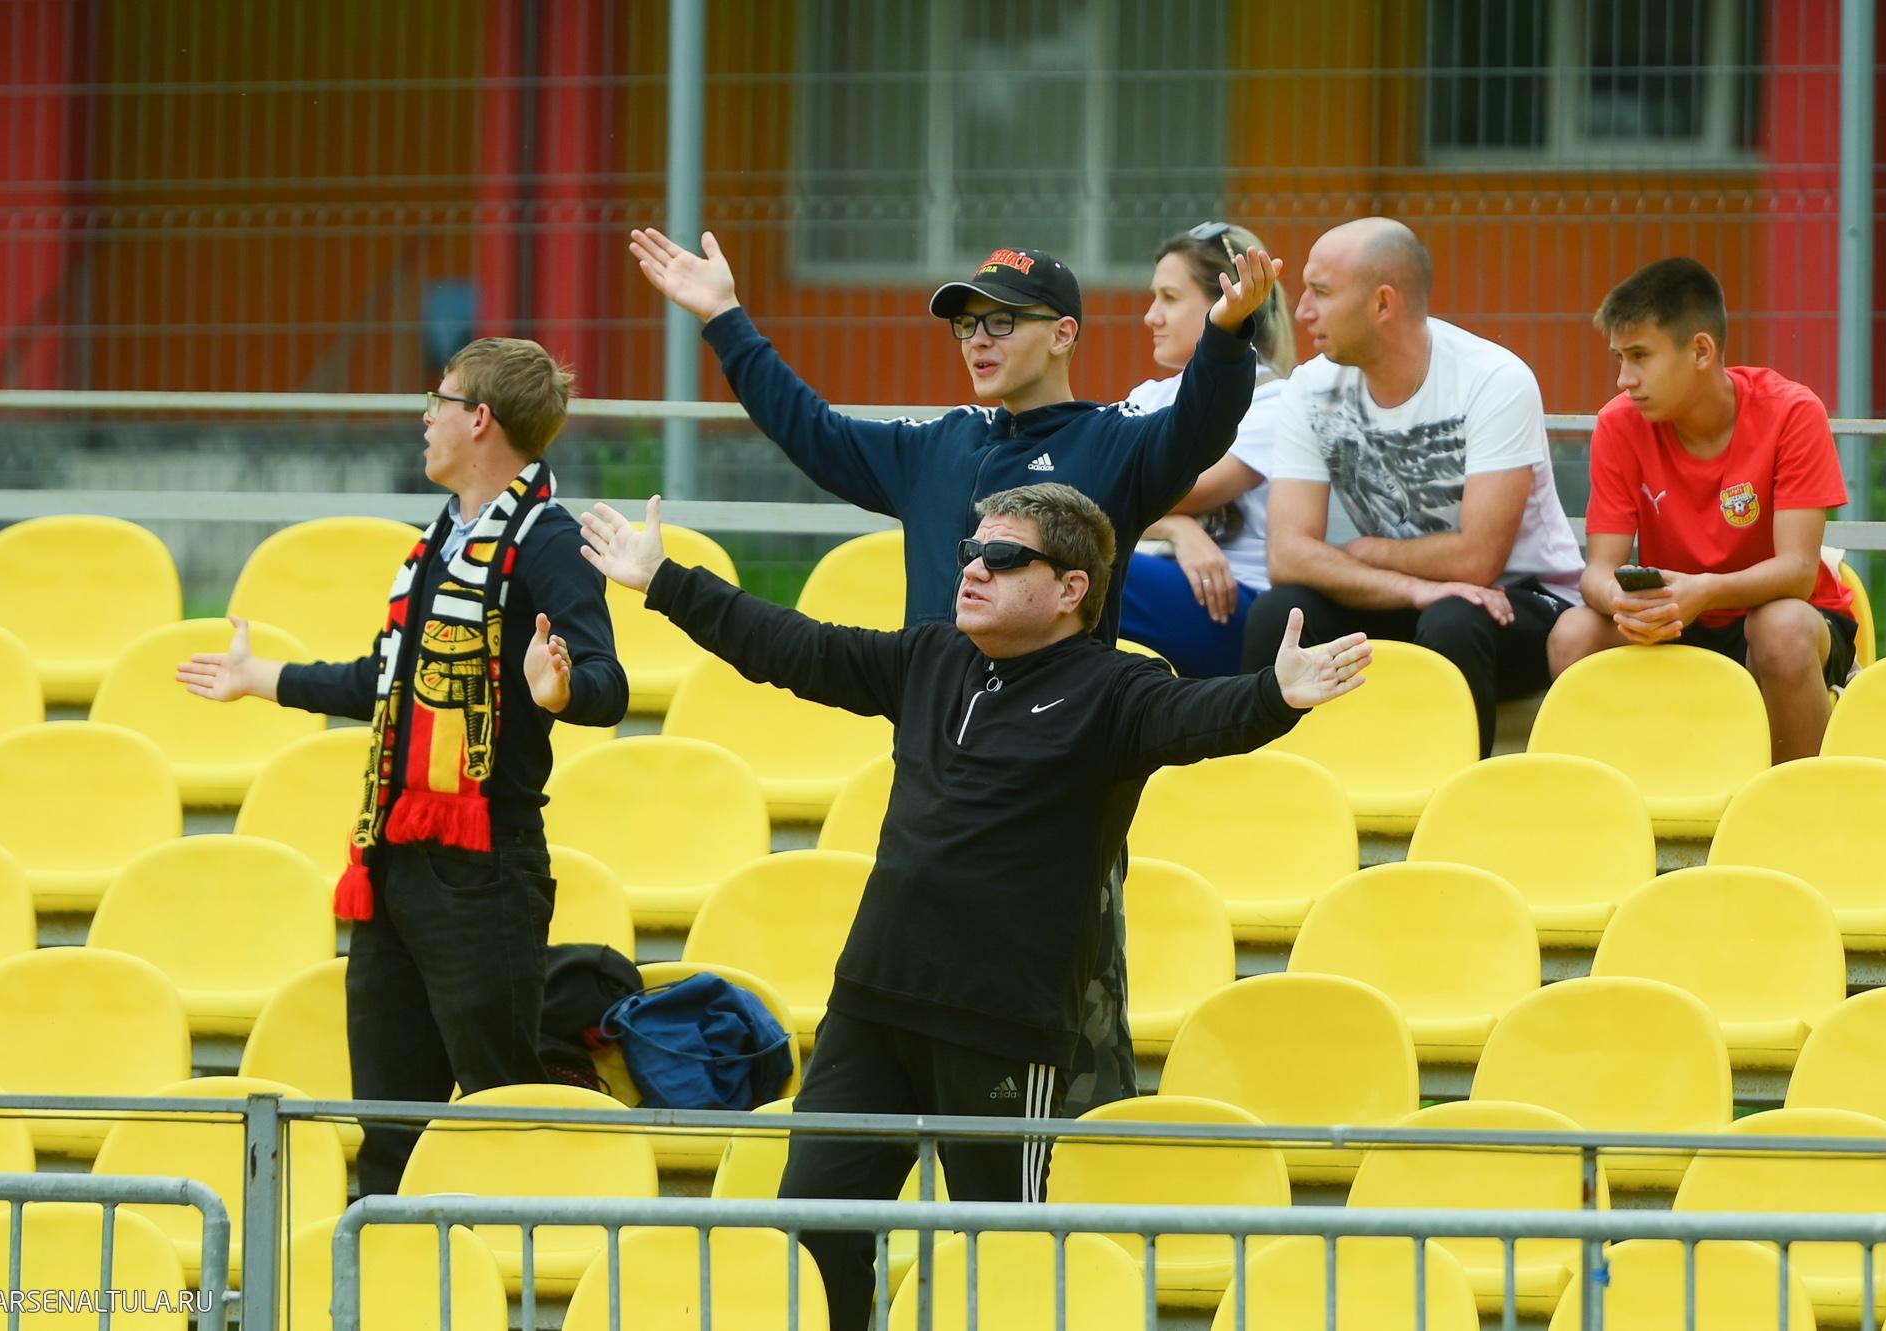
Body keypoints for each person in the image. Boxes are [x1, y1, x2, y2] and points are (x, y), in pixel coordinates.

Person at [564, 481, 1370, 1331]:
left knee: (1003, 1258)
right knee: (815, 1230)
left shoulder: (1116, 688)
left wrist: (1273, 695)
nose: (974, 569)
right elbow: (795, 647)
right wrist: (666, 581)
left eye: (1004, 556)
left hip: (1003, 1024)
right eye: (970, 552)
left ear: (1072, 589)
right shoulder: (932, 657)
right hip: (872, 1005)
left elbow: (1199, 715)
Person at [629, 224, 1280, 1115]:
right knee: (905, 1007)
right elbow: (812, 432)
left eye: (1002, 321)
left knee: (1066, 1046)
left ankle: (1056, 1166)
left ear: (1063, 334)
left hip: (1059, 779)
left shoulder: (1113, 442)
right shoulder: (937, 443)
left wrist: (1228, 333)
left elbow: (1202, 420)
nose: (977, 338)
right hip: (938, 769)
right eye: (965, 323)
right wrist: (725, 318)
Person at [175, 337, 628, 1196]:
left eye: (438, 401)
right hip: (395, 855)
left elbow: (607, 681)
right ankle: (383, 1263)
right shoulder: (442, 539)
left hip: (484, 868)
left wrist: (563, 689)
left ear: (479, 419)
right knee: (388, 1127)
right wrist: (260, 677)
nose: (426, 418)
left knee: (499, 1108)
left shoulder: (548, 542)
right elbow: (383, 681)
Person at [1239, 217, 1583, 756]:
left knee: (1453, 619)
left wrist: (1369, 552)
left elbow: (1478, 561)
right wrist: (1413, 588)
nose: (1301, 310)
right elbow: (1288, 555)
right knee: (1281, 612)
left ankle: (1456, 797)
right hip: (1412, 597)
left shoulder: (1493, 380)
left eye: (1321, 292)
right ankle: (1269, 785)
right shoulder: (1311, 386)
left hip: (1521, 602)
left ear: (1382, 303)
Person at [1547, 256, 1858, 762]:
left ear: (1700, 351)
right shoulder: (1618, 424)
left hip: (1780, 615)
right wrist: (1620, 600)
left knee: (1780, 629)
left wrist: (1704, 591)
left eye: (1640, 356)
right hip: (1676, 618)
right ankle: (1614, 799)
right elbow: (1598, 572)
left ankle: (1801, 796)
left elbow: (1799, 573)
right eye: (1619, 358)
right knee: (1572, 634)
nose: (1624, 379)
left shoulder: (1793, 411)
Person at [1120, 220, 1297, 676]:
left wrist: (1166, 515)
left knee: (1075, 568)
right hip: (1163, 579)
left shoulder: (1276, 401)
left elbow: (1163, 492)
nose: (1151, 316)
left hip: (1232, 603)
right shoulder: (1148, 396)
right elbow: (1093, 489)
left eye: (1170, 298)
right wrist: (1179, 530)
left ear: (1228, 303)